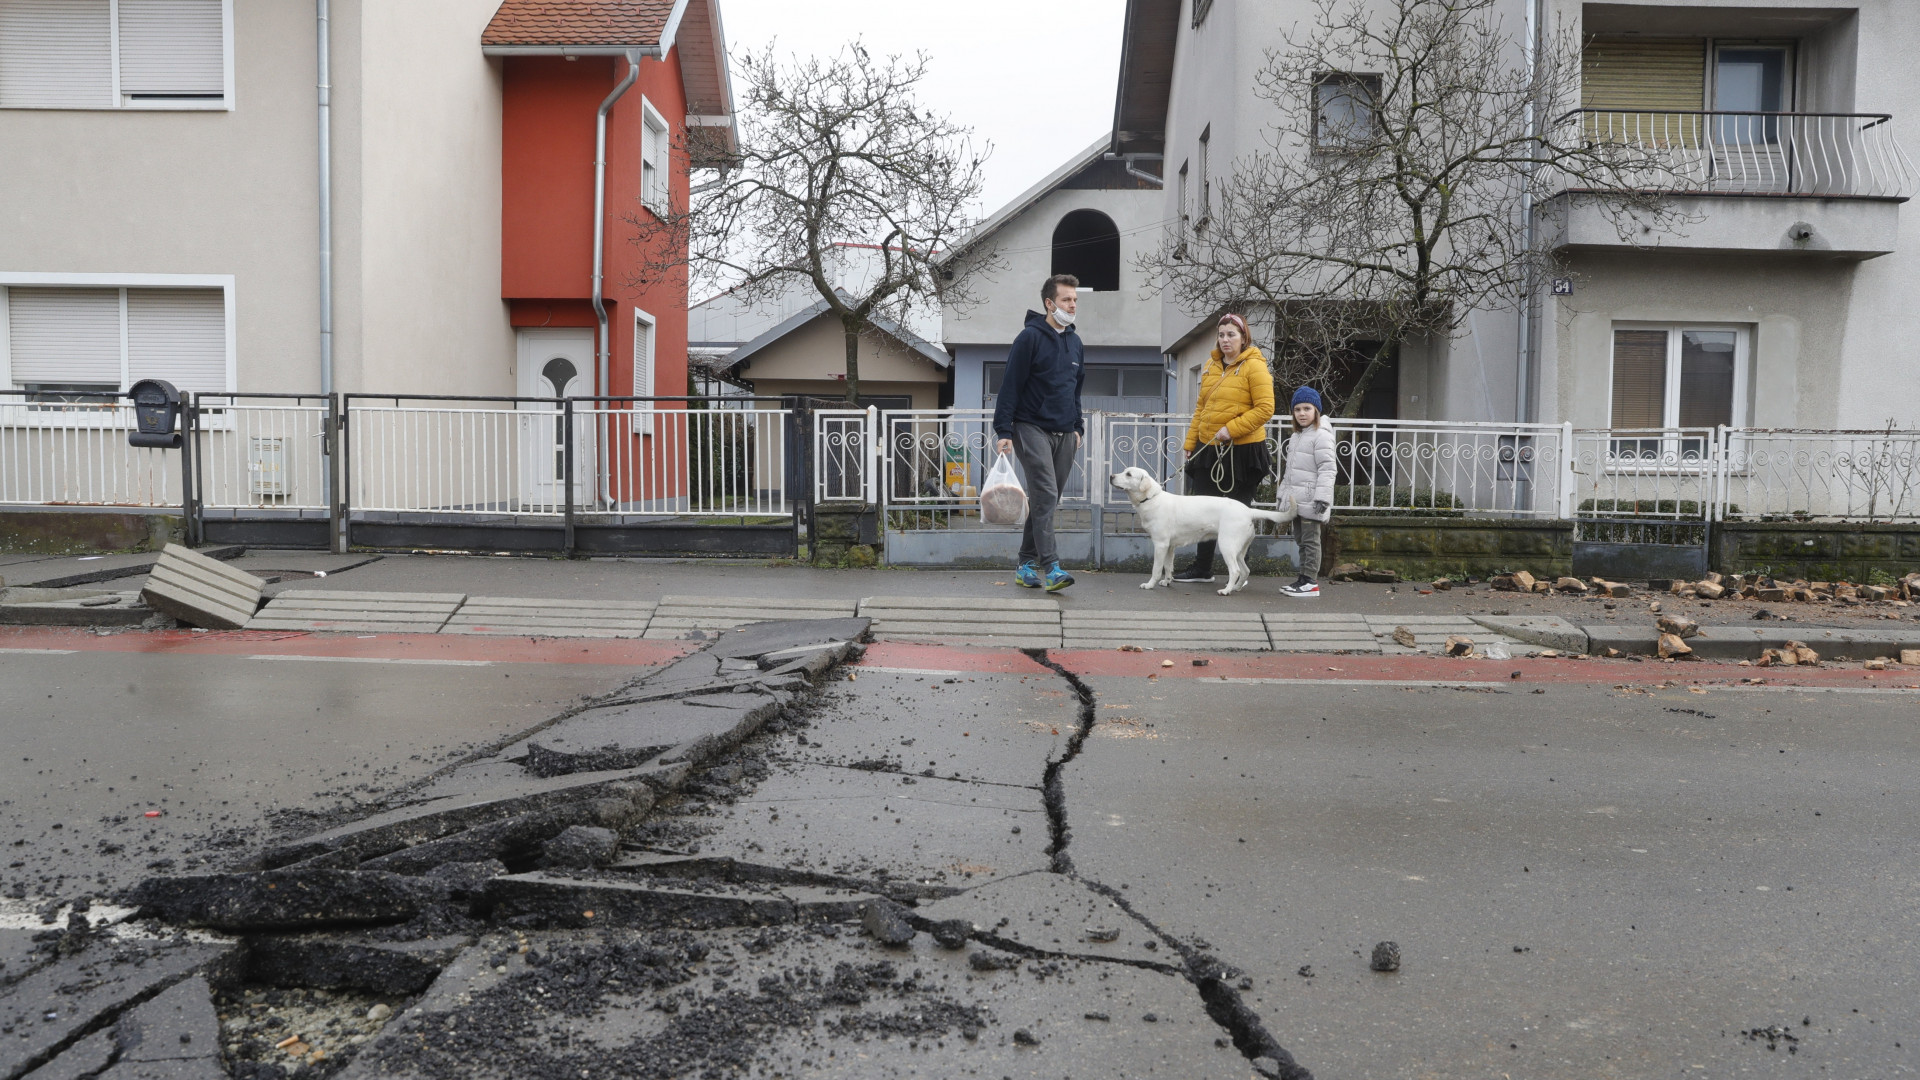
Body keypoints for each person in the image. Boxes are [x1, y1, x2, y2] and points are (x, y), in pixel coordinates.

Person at [993, 274, 1085, 592]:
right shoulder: (1029, 338)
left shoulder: (1075, 342)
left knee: (1046, 500)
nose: (1072, 305)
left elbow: (1075, 391)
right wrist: (1004, 429)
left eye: (1074, 300)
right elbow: (1010, 386)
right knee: (1045, 495)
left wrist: (1078, 427)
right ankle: (1053, 568)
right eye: (1066, 300)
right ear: (1049, 303)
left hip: (1064, 433)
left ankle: (1025, 564)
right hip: (1029, 426)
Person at [1173, 313, 1275, 582]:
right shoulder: (1211, 365)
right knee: (1204, 511)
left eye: (1232, 334)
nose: (1226, 339)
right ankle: (1202, 569)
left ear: (1244, 338)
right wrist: (1190, 442)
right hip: (1208, 448)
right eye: (1222, 335)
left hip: (1243, 452)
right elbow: (1201, 408)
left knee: (1238, 512)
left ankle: (1240, 572)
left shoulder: (1255, 367)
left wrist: (1232, 429)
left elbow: (1265, 408)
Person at [1276, 387, 1336, 597]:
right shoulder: (1297, 436)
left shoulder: (1321, 436)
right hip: (1297, 500)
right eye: (1298, 409)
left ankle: (1310, 582)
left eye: (1307, 408)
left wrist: (1322, 498)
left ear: (1316, 411)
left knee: (1311, 541)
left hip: (1312, 500)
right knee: (1301, 539)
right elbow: (1290, 473)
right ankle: (1303, 578)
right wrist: (1282, 496)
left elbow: (1328, 469)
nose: (1302, 413)